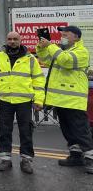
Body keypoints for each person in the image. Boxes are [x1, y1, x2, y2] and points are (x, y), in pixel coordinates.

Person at [0, 32, 44, 174]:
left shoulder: (30, 59)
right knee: (4, 130)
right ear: (6, 40)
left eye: (15, 39)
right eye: (9, 39)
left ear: (20, 40)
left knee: (26, 131)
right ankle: (5, 159)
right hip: (5, 100)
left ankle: (26, 160)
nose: (12, 41)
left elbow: (39, 81)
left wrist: (39, 99)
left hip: (24, 101)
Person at [36, 25, 93, 174]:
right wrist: (42, 47)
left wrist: (51, 46)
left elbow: (65, 61)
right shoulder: (62, 50)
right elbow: (46, 60)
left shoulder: (81, 52)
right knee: (68, 131)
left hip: (74, 100)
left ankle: (90, 159)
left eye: (67, 35)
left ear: (77, 37)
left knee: (81, 131)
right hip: (61, 100)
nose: (63, 37)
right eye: (62, 34)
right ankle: (76, 156)